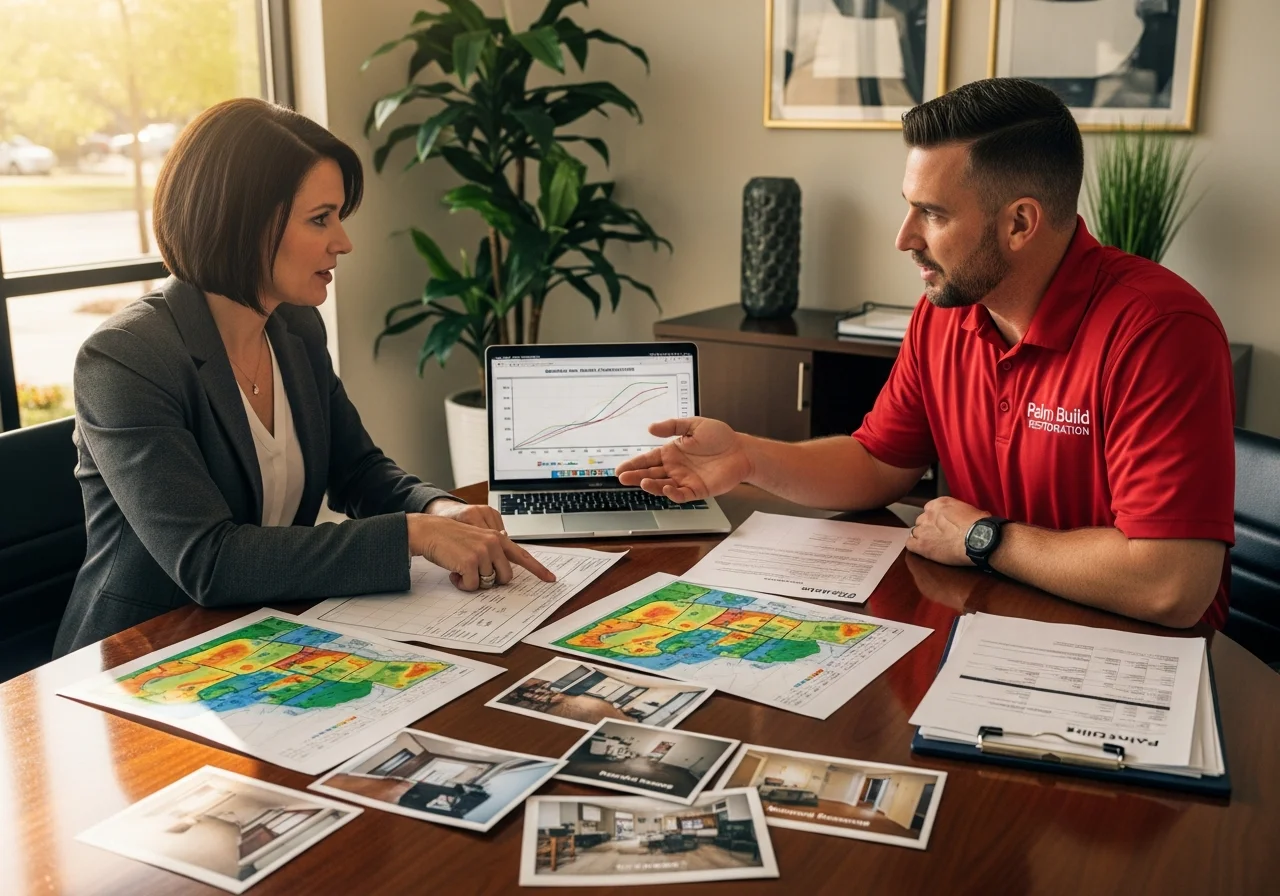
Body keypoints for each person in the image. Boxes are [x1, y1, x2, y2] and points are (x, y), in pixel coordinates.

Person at [617, 78, 1234, 630]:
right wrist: (748, 456)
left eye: (932, 214)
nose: (903, 237)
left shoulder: (1158, 331)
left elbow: (1171, 584)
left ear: (1020, 223)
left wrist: (983, 539)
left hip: (1126, 655)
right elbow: (878, 464)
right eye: (908, 205)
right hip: (988, 616)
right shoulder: (946, 314)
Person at [54, 98, 553, 654]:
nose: (343, 241)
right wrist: (414, 535)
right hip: (142, 656)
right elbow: (209, 561)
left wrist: (439, 509)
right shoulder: (126, 357)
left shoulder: (296, 330)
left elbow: (358, 470)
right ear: (240, 222)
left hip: (257, 633)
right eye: (321, 219)